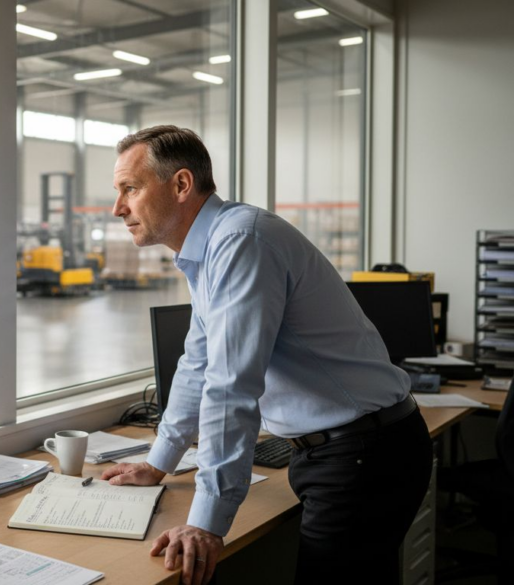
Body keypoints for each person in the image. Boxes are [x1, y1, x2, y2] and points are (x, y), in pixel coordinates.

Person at [100, 125, 432, 585]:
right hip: (348, 450)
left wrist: (206, 521)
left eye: (129, 189)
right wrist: (160, 460)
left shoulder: (240, 242)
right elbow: (198, 362)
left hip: (362, 455)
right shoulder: (212, 249)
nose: (118, 208)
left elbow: (230, 384)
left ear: (180, 185)